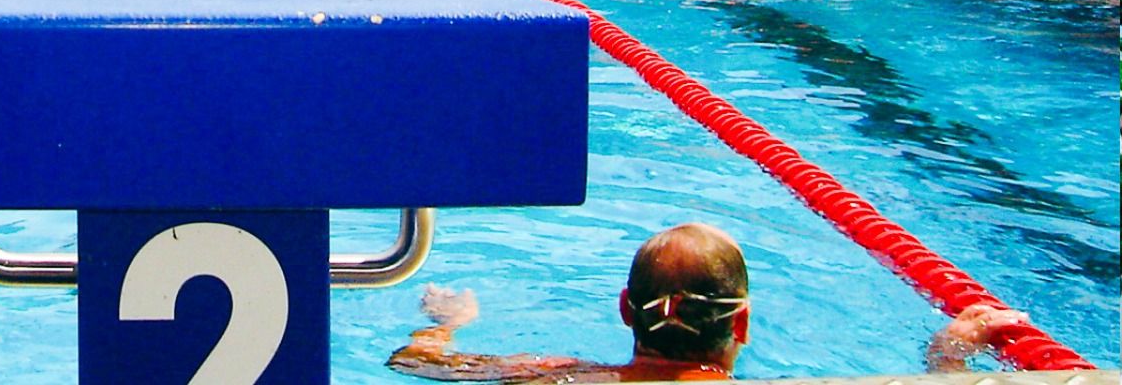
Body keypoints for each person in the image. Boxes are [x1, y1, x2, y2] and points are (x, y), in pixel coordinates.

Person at [389, 223, 1027, 382]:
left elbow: (413, 364)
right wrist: (953, 348)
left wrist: (451, 322)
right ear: (742, 321)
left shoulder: (555, 375)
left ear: (625, 309)